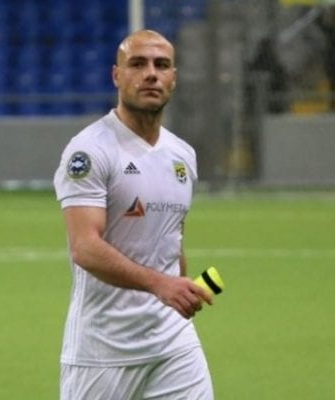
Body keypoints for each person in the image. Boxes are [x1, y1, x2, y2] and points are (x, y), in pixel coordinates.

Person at [53, 30, 215, 399]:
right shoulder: (89, 151)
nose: (151, 74)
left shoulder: (183, 154)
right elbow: (85, 248)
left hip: (173, 340)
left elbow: (173, 237)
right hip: (104, 348)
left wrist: (180, 286)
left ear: (173, 78)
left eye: (162, 65)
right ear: (117, 75)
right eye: (138, 64)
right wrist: (162, 285)